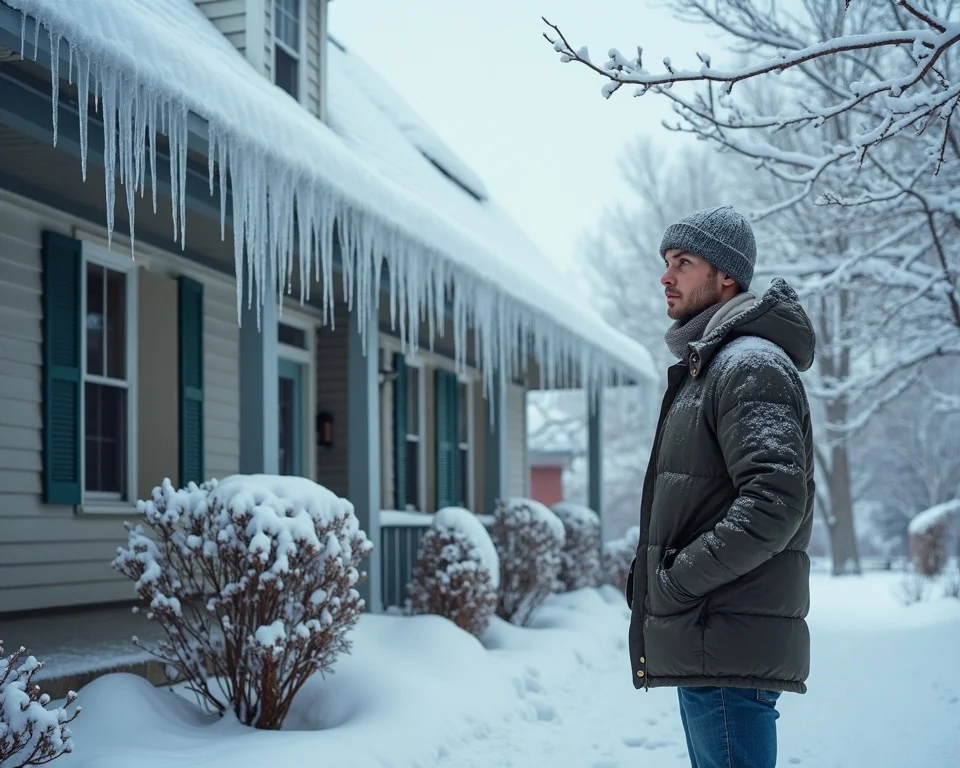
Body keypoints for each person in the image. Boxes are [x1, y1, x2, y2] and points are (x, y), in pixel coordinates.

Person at [625, 205, 816, 768]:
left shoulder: (748, 365)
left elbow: (775, 502)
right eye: (665, 262)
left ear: (726, 275)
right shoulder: (712, 366)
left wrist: (679, 582)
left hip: (725, 633)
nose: (666, 276)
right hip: (712, 636)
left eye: (683, 262)